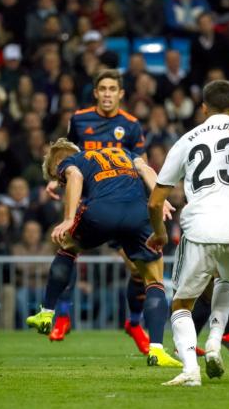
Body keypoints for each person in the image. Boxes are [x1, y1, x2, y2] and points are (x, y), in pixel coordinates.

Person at [146, 80, 229, 387]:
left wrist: (161, 233)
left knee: (181, 304)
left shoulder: (187, 139)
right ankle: (216, 342)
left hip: (202, 228)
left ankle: (190, 369)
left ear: (203, 108)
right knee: (227, 280)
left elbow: (155, 201)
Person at [44, 69, 172, 353]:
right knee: (68, 246)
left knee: (137, 270)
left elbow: (143, 163)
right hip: (89, 200)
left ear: (121, 93)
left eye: (112, 89)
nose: (107, 94)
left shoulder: (132, 125)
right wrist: (58, 178)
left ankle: (134, 322)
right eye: (102, 88)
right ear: (95, 92)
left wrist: (155, 199)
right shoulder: (79, 119)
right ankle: (63, 316)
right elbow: (69, 155)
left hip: (125, 200)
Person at [27, 139, 181, 367]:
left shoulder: (71, 161)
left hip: (102, 212)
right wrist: (161, 199)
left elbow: (75, 177)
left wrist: (69, 219)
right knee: (154, 280)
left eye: (57, 178)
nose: (59, 183)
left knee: (68, 248)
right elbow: (146, 169)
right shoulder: (123, 151)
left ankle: (47, 312)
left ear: (56, 162)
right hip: (139, 213)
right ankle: (156, 349)